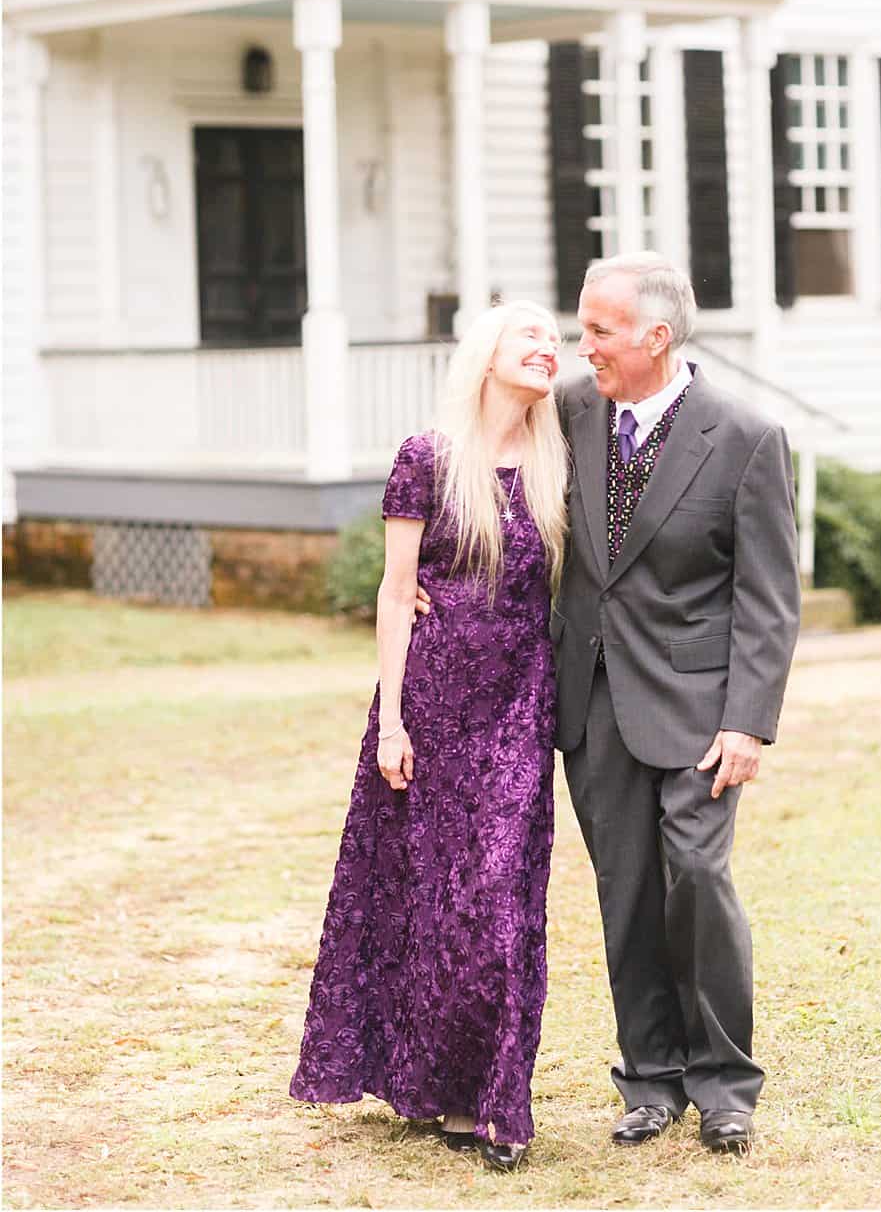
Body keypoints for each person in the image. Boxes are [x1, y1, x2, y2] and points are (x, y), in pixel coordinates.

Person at [290, 300, 569, 1172]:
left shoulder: (561, 462)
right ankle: (436, 1090)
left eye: (556, 340)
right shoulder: (429, 459)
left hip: (521, 705)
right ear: (488, 355)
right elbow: (394, 590)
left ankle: (496, 1103)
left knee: (498, 901)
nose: (549, 348)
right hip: (435, 708)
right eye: (532, 337)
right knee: (425, 902)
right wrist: (396, 719)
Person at [553, 252, 800, 1155]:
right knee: (625, 892)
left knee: (696, 878)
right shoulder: (572, 412)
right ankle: (649, 1079)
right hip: (592, 700)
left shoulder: (743, 436)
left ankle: (725, 1084)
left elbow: (769, 597)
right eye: (584, 329)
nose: (585, 348)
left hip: (701, 707)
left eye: (600, 331)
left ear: (656, 336)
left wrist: (748, 718)